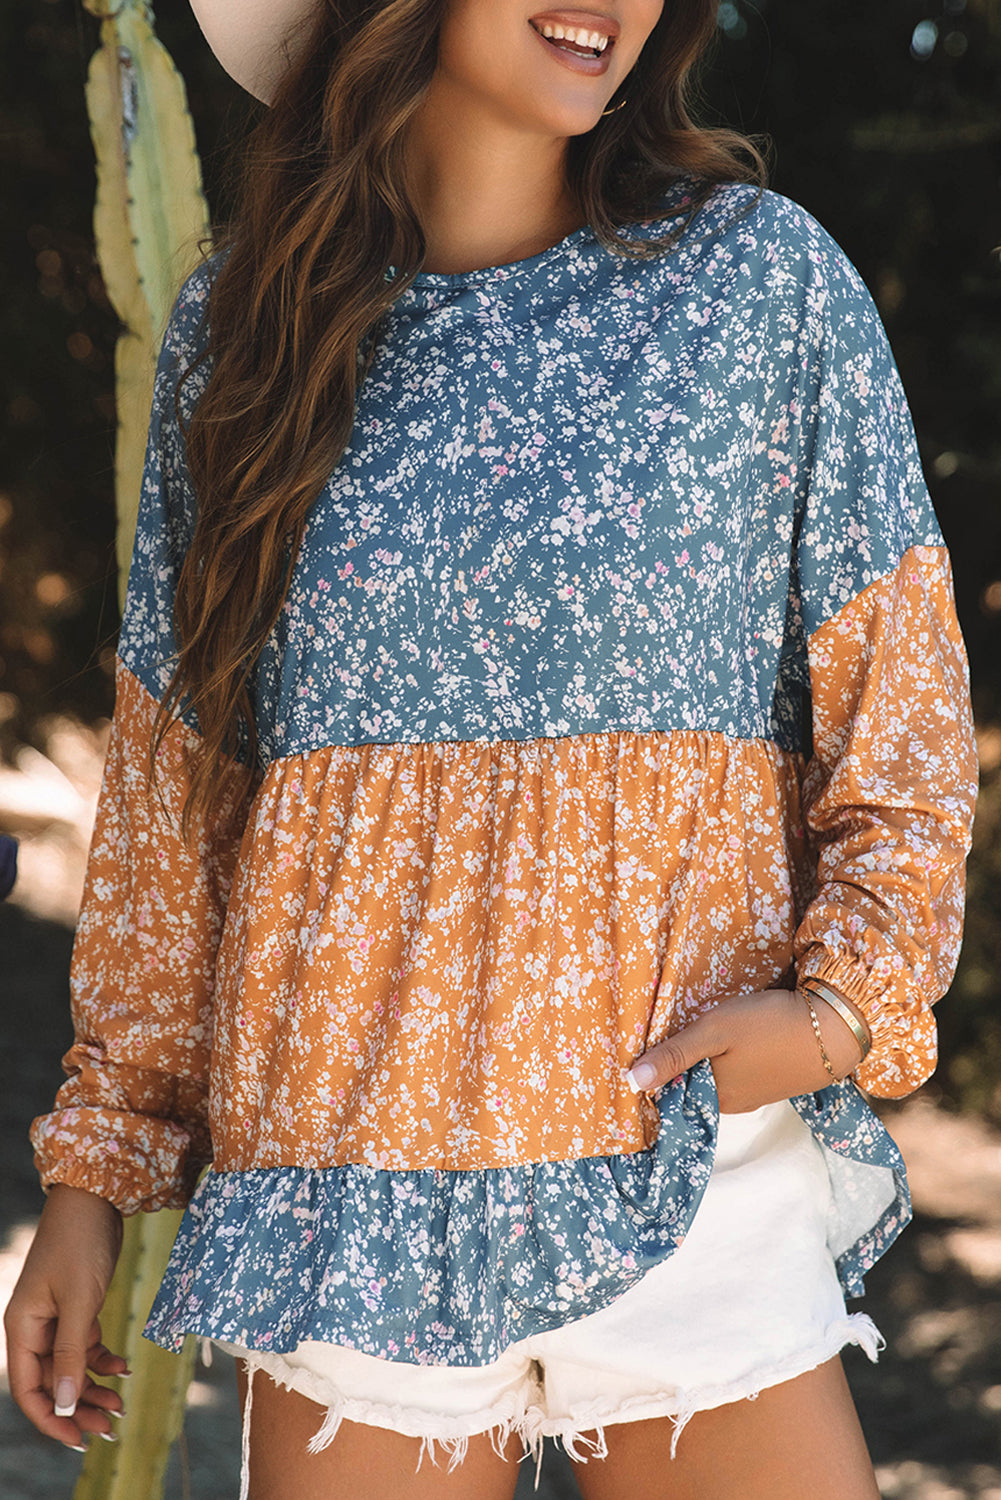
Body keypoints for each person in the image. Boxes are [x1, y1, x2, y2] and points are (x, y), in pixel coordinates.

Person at [5, 2, 979, 1497]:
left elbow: (898, 713)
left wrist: (844, 1009)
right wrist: (96, 1167)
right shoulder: (240, 328)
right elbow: (176, 781)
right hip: (342, 1173)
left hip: (686, 1158)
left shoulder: (757, 288)